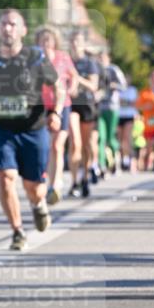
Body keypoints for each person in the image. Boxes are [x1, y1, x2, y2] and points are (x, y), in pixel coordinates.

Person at [0, 9, 63, 251]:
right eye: (3, 24)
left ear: (23, 30)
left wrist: (56, 113)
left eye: (13, 24)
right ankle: (18, 231)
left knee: (34, 188)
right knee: (5, 178)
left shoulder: (36, 57)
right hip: (1, 128)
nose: (7, 28)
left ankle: (38, 204)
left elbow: (58, 87)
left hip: (34, 129)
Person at [35, 26, 78, 205]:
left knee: (57, 145)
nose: (46, 43)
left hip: (62, 105)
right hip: (42, 106)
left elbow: (74, 76)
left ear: (55, 41)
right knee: (45, 145)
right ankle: (45, 180)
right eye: (42, 40)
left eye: (49, 40)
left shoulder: (63, 57)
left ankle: (56, 184)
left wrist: (72, 87)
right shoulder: (35, 59)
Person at [68, 30, 100, 198]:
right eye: (73, 41)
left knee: (86, 145)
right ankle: (74, 182)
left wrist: (77, 78)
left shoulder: (89, 63)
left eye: (78, 41)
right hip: (71, 105)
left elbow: (93, 86)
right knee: (75, 143)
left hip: (86, 105)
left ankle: (85, 177)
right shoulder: (67, 61)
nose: (75, 45)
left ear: (83, 44)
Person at [97, 49, 126, 175]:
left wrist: (114, 85)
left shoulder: (114, 69)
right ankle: (102, 164)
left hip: (112, 107)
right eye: (99, 58)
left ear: (108, 58)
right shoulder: (96, 70)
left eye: (103, 58)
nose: (101, 60)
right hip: (99, 108)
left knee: (110, 137)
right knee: (100, 137)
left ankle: (115, 161)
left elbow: (123, 86)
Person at [117, 79, 139, 171]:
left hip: (129, 116)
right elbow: (117, 102)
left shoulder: (132, 90)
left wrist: (123, 102)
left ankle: (130, 160)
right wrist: (127, 102)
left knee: (127, 138)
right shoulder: (118, 90)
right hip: (119, 116)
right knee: (120, 140)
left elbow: (134, 103)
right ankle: (122, 160)